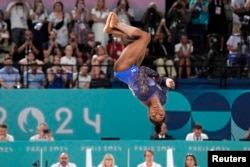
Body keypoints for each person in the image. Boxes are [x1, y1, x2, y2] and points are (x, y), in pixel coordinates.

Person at [103, 12, 175, 125]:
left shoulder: (144, 94)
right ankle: (111, 31)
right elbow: (162, 82)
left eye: (153, 115)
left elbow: (143, 70)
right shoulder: (163, 99)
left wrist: (157, 76)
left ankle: (117, 24)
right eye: (160, 114)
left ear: (148, 113)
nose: (157, 112)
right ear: (164, 112)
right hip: (133, 69)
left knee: (144, 37)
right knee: (144, 40)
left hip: (124, 69)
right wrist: (167, 81)